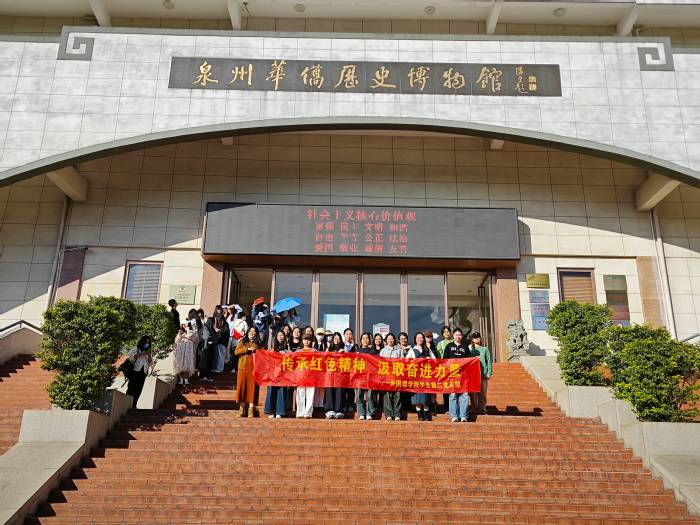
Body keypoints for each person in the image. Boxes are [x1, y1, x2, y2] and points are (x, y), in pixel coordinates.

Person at [406, 332, 435, 421]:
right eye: (418, 338)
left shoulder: (427, 349)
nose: (420, 339)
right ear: (415, 339)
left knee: (426, 395)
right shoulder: (412, 350)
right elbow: (406, 361)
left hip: (426, 375)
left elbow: (435, 360)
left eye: (421, 338)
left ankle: (426, 414)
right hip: (416, 376)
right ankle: (420, 415)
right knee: (417, 396)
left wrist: (430, 359)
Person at [444, 328, 471, 423]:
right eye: (456, 335)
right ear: (453, 336)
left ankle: (463, 416)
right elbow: (444, 360)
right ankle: (454, 416)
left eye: (459, 335)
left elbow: (469, 360)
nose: (458, 336)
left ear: (461, 336)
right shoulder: (449, 346)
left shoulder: (465, 347)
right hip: (452, 373)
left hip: (463, 374)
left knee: (465, 394)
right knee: (453, 394)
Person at [234, 325, 261, 418]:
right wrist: (247, 349)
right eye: (250, 332)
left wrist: (256, 350)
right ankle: (241, 409)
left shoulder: (258, 343)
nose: (252, 334)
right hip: (243, 369)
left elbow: (262, 354)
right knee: (242, 388)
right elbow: (236, 352)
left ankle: (251, 409)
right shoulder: (242, 341)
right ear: (247, 333)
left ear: (256, 333)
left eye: (254, 332)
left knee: (252, 389)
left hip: (254, 370)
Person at [265, 330, 290, 419]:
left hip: (283, 374)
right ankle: (270, 411)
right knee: (271, 391)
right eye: (279, 335)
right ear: (276, 337)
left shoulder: (287, 348)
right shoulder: (272, 349)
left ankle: (280, 411)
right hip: (273, 373)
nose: (280, 337)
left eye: (282, 335)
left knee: (281, 392)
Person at [173, 309, 201, 386]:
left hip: (188, 352)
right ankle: (181, 379)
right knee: (180, 365)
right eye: (184, 325)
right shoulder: (180, 332)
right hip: (181, 352)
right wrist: (181, 335)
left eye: (186, 324)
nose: (185, 326)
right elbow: (177, 341)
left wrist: (187, 331)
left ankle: (186, 379)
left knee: (187, 366)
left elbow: (193, 338)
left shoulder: (191, 332)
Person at [379, 333, 402, 421]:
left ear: (394, 340)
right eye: (388, 339)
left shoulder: (398, 350)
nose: (390, 340)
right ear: (386, 340)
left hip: (397, 375)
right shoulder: (383, 350)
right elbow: (380, 363)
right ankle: (388, 414)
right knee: (387, 395)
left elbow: (403, 361)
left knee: (397, 394)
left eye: (392, 338)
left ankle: (397, 414)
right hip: (387, 376)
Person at [470, 331, 492, 415]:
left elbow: (489, 361)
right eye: (474, 337)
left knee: (483, 393)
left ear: (480, 338)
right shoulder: (470, 349)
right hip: (473, 375)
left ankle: (482, 409)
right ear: (472, 339)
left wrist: (489, 372)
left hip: (483, 374)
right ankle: (474, 409)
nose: (476, 339)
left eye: (478, 337)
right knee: (473, 394)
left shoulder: (485, 349)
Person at [126, 335, 152, 408]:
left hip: (143, 372)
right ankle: (127, 404)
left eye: (148, 343)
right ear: (142, 342)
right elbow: (132, 357)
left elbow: (150, 363)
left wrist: (149, 355)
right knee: (131, 388)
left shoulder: (148, 352)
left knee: (139, 389)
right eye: (146, 342)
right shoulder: (136, 349)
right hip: (135, 371)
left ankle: (134, 405)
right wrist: (143, 353)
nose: (147, 344)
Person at [355, 332, 376, 420]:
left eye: (367, 338)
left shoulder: (372, 351)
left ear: (369, 340)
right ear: (361, 340)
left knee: (369, 395)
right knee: (359, 395)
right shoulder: (357, 351)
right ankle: (361, 413)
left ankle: (369, 413)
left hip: (369, 376)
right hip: (359, 376)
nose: (365, 340)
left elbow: (375, 364)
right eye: (363, 338)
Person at [324, 332, 345, 419]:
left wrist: (343, 353)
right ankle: (329, 410)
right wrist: (329, 353)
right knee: (329, 390)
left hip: (340, 374)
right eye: (335, 338)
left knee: (339, 391)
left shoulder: (343, 349)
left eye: (338, 338)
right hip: (330, 374)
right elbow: (324, 359)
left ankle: (339, 410)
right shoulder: (329, 348)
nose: (336, 340)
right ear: (332, 339)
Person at [295, 335, 316, 419]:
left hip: (311, 375)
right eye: (305, 339)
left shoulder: (314, 351)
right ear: (302, 341)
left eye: (308, 340)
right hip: (301, 375)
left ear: (311, 341)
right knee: (300, 393)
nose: (307, 341)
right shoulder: (298, 351)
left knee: (310, 394)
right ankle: (300, 412)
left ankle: (308, 412)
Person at [436, 325, 453, 413]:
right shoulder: (440, 344)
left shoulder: (454, 342)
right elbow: (438, 357)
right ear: (442, 334)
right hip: (445, 368)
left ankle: (454, 409)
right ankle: (447, 408)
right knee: (446, 389)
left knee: (454, 389)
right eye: (445, 332)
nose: (447, 333)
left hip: (454, 369)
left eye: (448, 331)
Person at [342, 328, 357, 413]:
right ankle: (343, 405)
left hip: (352, 370)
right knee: (343, 388)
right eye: (347, 334)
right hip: (343, 369)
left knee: (351, 388)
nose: (349, 336)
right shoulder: (341, 345)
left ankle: (351, 405)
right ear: (344, 335)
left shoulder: (355, 346)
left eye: (350, 334)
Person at [397, 332, 412, 418]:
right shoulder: (396, 349)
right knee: (400, 392)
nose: (403, 340)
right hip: (399, 373)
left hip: (409, 373)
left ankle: (407, 408)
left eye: (405, 338)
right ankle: (400, 408)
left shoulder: (411, 349)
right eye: (401, 339)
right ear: (399, 340)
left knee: (408, 391)